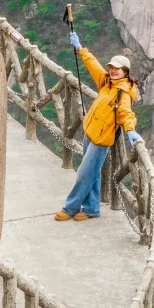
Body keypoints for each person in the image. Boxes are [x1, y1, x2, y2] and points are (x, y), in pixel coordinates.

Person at [55, 27, 142, 221]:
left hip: (101, 139)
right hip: (90, 131)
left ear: (125, 72)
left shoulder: (123, 92)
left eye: (117, 69)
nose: (112, 70)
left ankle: (70, 207)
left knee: (84, 174)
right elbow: (93, 64)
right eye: (111, 67)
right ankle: (92, 208)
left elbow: (127, 113)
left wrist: (130, 131)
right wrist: (80, 49)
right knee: (93, 174)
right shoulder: (107, 82)